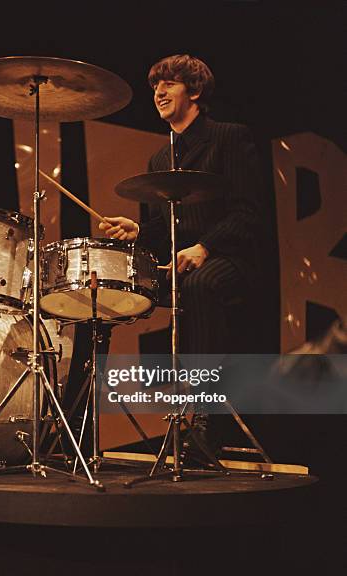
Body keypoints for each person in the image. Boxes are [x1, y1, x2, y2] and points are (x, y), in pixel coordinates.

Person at [100, 54, 265, 458]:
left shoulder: (229, 137)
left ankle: (205, 419)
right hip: (185, 262)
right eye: (156, 84)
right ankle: (84, 417)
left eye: (170, 83)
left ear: (194, 91)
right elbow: (164, 227)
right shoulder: (160, 159)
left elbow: (249, 212)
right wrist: (139, 230)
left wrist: (204, 247)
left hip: (231, 257)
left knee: (198, 285)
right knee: (105, 293)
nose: (159, 91)